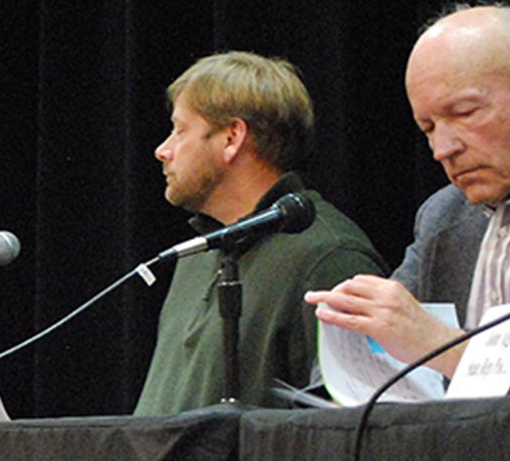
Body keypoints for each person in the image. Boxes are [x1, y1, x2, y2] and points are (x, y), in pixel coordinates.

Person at [306, 4, 510, 384]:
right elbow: (369, 344)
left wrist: (448, 350)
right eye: (428, 128)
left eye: (464, 112)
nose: (442, 149)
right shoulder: (445, 216)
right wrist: (350, 341)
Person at [134, 51, 386, 414]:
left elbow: (348, 430)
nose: (163, 150)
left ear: (231, 137)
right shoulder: (201, 253)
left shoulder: (329, 258)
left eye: (180, 129)